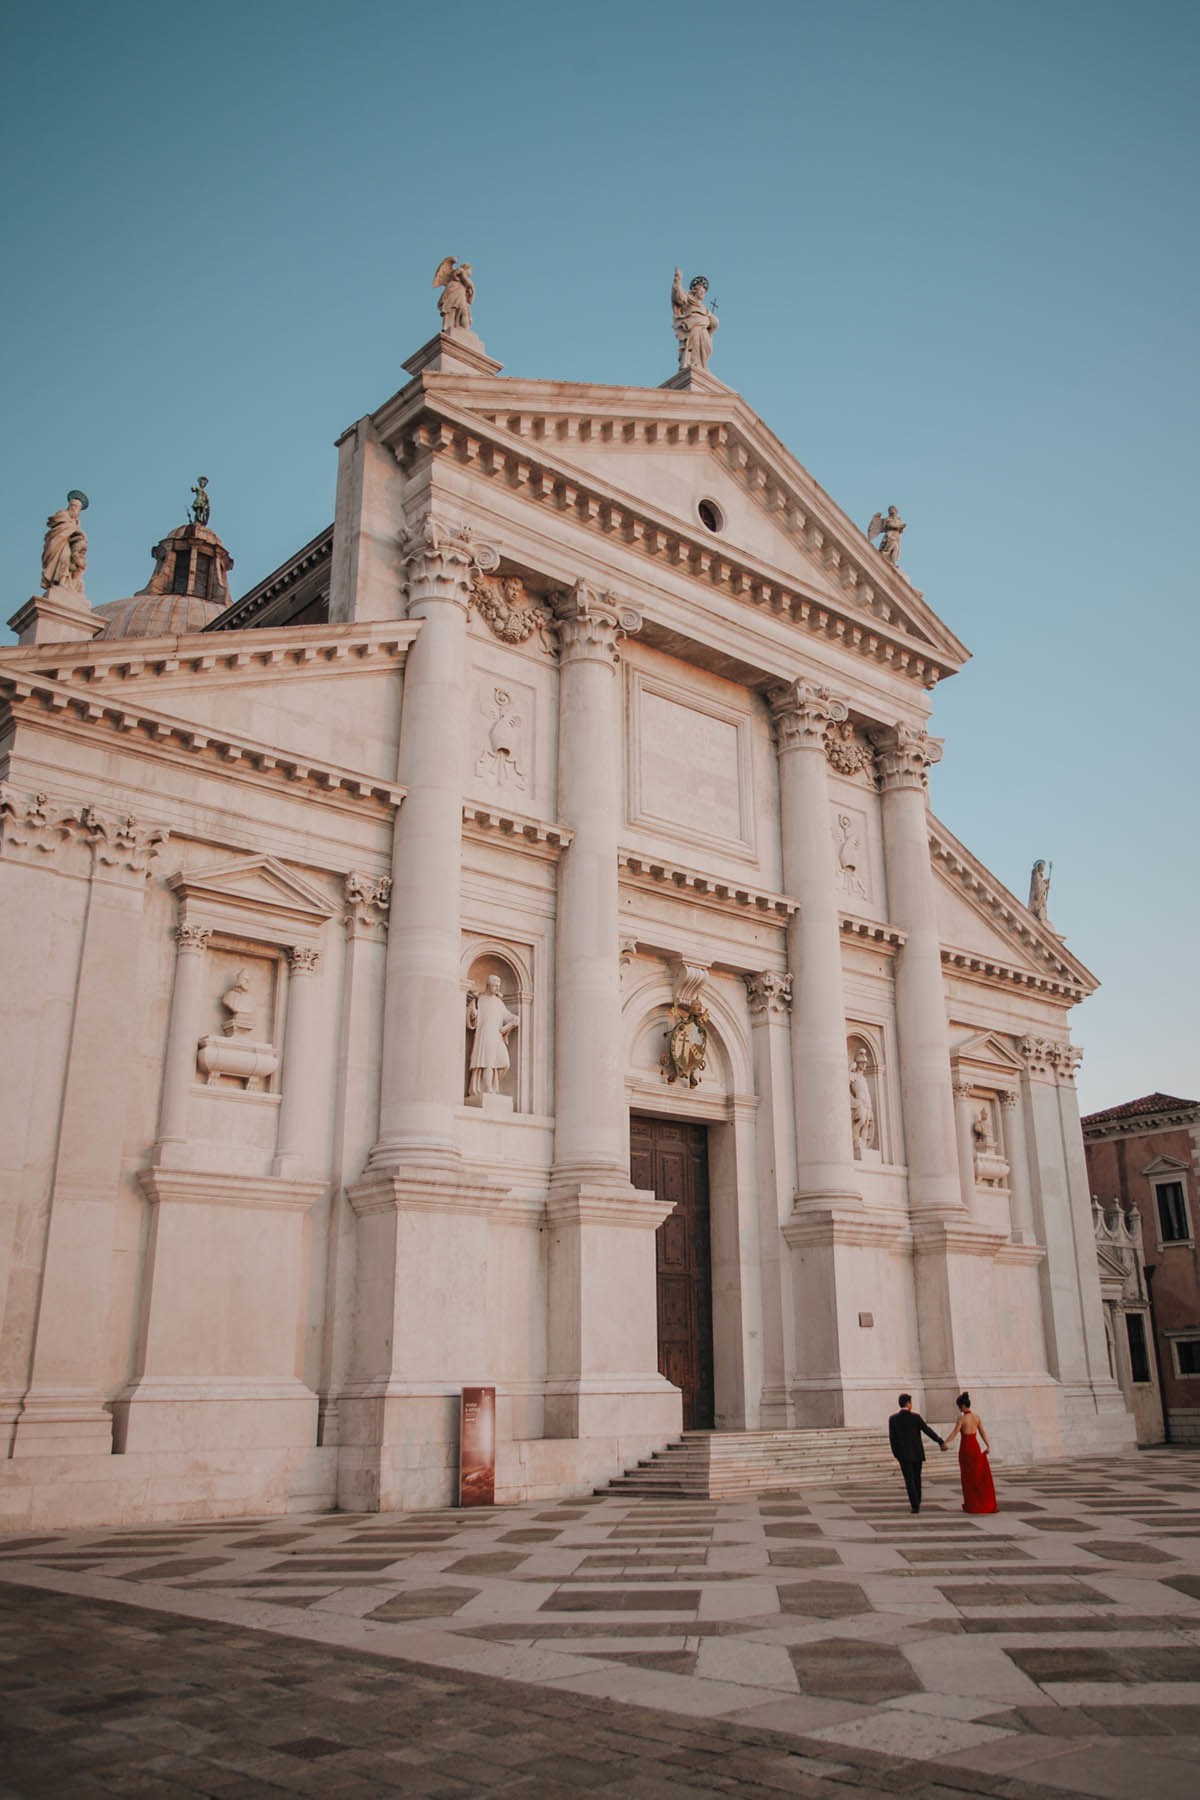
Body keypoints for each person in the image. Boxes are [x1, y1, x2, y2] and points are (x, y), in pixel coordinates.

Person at [888, 1393, 944, 1513]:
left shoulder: (893, 1419)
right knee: (917, 1478)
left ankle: (914, 1505)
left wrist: (896, 1455)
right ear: (908, 1403)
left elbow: (892, 1439)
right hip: (917, 1453)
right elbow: (927, 1431)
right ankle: (917, 1500)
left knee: (909, 1480)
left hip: (903, 1455)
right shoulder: (916, 1417)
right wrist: (940, 1441)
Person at [942, 1390, 997, 1514]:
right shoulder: (976, 1417)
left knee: (967, 1477)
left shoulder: (962, 1418)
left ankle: (971, 1504)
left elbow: (955, 1432)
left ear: (962, 1406)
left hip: (966, 1448)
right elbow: (982, 1432)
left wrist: (945, 1442)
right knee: (977, 1476)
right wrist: (988, 1445)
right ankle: (980, 1502)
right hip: (975, 1447)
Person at [466, 973, 518, 1096]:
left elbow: (506, 1015)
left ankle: (493, 1085)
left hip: (497, 1035)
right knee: (488, 1063)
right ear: (488, 986)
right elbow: (471, 1019)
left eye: (499, 986)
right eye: (495, 986)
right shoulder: (479, 1000)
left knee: (505, 1063)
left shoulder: (499, 1002)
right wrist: (473, 1015)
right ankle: (487, 1088)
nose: (497, 988)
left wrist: (514, 1018)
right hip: (485, 1034)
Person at [671, 269, 718, 371]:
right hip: (692, 327)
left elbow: (713, 323)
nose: (703, 294)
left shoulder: (705, 308)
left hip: (704, 329)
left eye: (704, 293)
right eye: (701, 291)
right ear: (695, 291)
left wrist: (713, 321)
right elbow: (678, 296)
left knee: (706, 347)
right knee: (693, 346)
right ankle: (692, 364)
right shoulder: (688, 299)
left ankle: (702, 366)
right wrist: (677, 281)